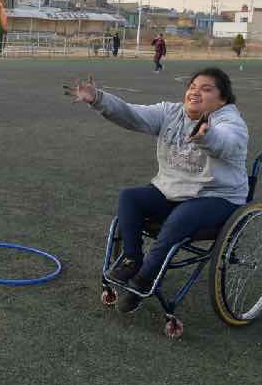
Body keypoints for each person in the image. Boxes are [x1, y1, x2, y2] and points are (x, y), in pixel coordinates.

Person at [65, 68, 248, 314]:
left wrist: (206, 136)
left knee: (180, 218)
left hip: (216, 196)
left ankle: (144, 280)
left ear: (222, 99)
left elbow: (225, 142)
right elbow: (131, 114)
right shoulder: (171, 112)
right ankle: (132, 259)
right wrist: (98, 98)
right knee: (130, 198)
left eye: (206, 89)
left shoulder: (230, 123)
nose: (195, 92)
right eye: (193, 86)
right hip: (174, 190)